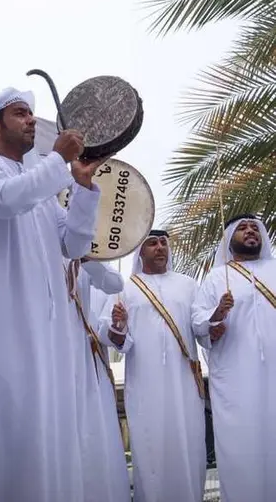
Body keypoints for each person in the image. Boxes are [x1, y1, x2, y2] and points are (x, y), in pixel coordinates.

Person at [0, 88, 102, 502]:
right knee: (0, 442)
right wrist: (58, 160)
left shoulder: (42, 187)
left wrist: (82, 189)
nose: (32, 120)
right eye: (20, 113)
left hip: (43, 335)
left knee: (42, 437)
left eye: (32, 114)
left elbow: (75, 244)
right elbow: (4, 200)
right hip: (0, 333)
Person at [99, 230, 206, 502]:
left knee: (188, 445)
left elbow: (202, 329)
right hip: (145, 384)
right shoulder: (124, 288)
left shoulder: (188, 285)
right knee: (151, 451)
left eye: (163, 243)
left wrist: (216, 319)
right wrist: (118, 324)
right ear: (140, 252)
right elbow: (113, 337)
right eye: (152, 243)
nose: (160, 248)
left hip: (184, 384)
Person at [193, 214, 276, 502]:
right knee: (242, 446)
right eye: (243, 228)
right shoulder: (217, 278)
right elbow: (199, 324)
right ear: (229, 239)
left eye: (255, 228)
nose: (251, 231)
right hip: (236, 378)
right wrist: (217, 314)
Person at [65, 257, 130, 501]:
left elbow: (115, 283)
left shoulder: (92, 272)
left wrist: (86, 256)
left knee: (95, 439)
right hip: (48, 365)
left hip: (89, 369)